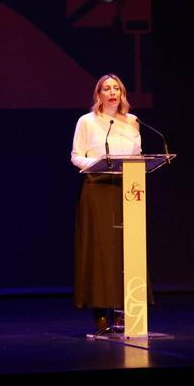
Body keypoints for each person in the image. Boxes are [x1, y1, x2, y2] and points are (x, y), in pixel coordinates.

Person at [71, 73, 141, 334]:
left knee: (125, 249)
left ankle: (125, 311)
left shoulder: (133, 122)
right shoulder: (87, 121)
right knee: (101, 252)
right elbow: (76, 156)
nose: (112, 93)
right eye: (106, 89)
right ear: (98, 95)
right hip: (98, 188)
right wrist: (98, 164)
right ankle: (101, 313)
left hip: (127, 190)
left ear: (122, 94)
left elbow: (136, 156)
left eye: (117, 88)